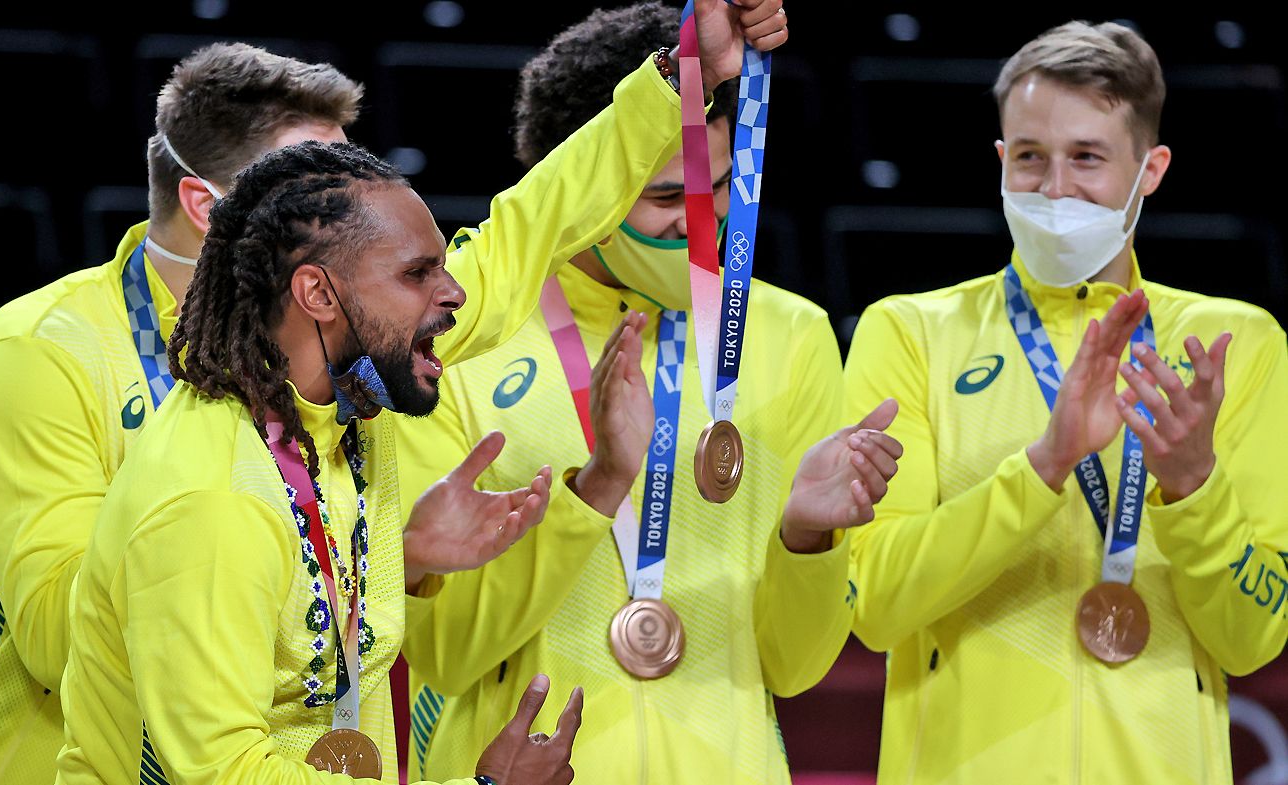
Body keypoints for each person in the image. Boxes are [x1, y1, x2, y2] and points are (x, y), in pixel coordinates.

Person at [54, 2, 791, 781]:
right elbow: (223, 772)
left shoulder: (346, 396)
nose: (456, 296)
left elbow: (530, 225)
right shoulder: (209, 493)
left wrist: (688, 78)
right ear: (318, 293)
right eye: (418, 274)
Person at [392, 4, 901, 784]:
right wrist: (589, 498)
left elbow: (793, 667)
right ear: (591, 194)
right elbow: (447, 655)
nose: (708, 222)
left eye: (723, 187)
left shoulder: (789, 335)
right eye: (668, 198)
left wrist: (808, 540)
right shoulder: (460, 347)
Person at [0, 43, 362, 784]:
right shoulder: (37, 356)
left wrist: (408, 553)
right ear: (209, 206)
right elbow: (58, 640)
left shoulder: (311, 357)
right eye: (321, 199)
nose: (356, 224)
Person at [843, 20, 1288, 784]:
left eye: (1086, 158)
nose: (1055, 190)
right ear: (999, 160)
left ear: (1151, 169)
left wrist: (1192, 487)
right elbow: (876, 604)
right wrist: (1043, 466)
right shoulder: (908, 331)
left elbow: (1254, 636)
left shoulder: (1233, 345)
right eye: (1029, 158)